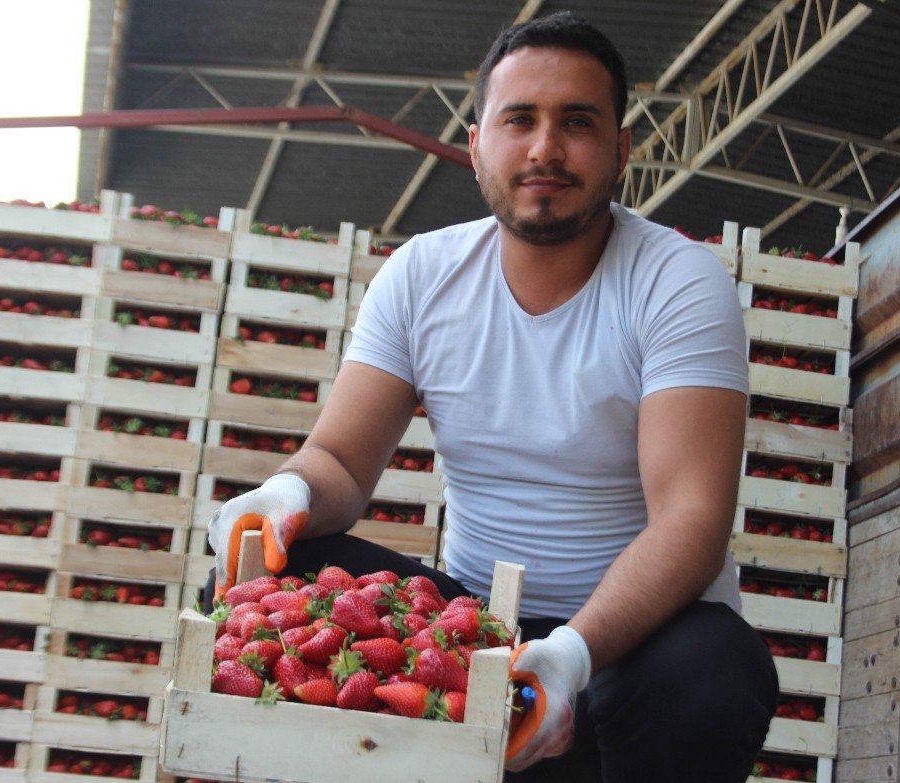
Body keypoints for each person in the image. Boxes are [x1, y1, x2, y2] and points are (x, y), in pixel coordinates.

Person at [207, 12, 777, 783]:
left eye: (577, 122)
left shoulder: (677, 281)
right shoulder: (422, 274)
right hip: (476, 626)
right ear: (477, 146)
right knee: (270, 575)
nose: (545, 147)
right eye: (520, 120)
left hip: (635, 645)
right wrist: (284, 493)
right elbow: (340, 459)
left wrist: (571, 654)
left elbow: (692, 518)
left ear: (621, 150)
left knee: (716, 674)